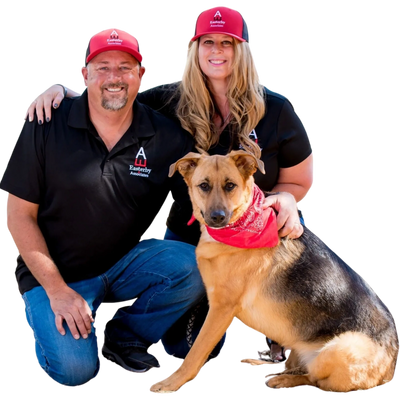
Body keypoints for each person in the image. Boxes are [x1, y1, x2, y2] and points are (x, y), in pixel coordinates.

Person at [22, 6, 314, 365]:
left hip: (253, 234)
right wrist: (61, 89)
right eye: (207, 41)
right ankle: (135, 331)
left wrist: (287, 198)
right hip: (189, 236)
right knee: (179, 344)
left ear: (244, 51)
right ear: (194, 48)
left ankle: (281, 327)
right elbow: (111, 98)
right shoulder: (167, 98)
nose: (217, 51)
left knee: (272, 297)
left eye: (228, 42)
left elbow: (301, 180)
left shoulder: (275, 107)